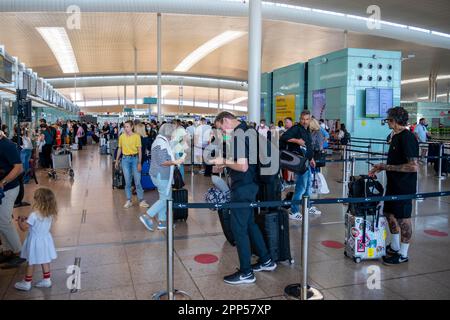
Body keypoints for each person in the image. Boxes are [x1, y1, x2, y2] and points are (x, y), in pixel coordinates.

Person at [211, 111, 276, 285]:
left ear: (226, 121)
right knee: (249, 223)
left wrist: (223, 161)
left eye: (221, 129)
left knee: (238, 228)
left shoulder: (239, 135)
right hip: (252, 185)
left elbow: (242, 166)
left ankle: (246, 272)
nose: (223, 133)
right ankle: (266, 260)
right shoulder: (249, 131)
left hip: (243, 187)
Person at [369, 107, 419, 265]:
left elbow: (413, 166)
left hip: (404, 186)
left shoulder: (407, 137)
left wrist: (387, 167)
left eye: (389, 119)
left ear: (396, 120)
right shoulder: (395, 136)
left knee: (403, 219)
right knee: (389, 214)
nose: (387, 122)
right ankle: (395, 246)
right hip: (393, 184)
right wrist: (382, 166)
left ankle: (403, 254)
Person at [139, 124, 183, 231]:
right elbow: (162, 161)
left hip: (161, 174)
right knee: (165, 200)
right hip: (161, 175)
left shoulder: (161, 141)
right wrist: (176, 161)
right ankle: (147, 216)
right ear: (169, 133)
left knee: (166, 198)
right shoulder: (160, 143)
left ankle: (163, 222)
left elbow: (169, 147)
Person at [14, 188, 58, 291]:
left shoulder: (34, 215)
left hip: (35, 242)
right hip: (45, 240)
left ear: (39, 200)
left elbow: (24, 228)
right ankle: (47, 280)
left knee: (31, 262)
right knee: (45, 260)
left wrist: (20, 221)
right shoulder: (50, 214)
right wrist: (27, 219)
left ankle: (27, 282)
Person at [280, 110, 316, 221]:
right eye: (302, 119)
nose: (304, 121)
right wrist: (296, 141)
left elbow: (308, 146)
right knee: (301, 187)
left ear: (310, 120)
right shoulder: (296, 128)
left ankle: (307, 206)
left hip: (307, 161)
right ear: (300, 119)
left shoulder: (307, 130)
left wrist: (311, 158)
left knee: (308, 187)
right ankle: (294, 211)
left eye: (306, 119)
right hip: (300, 163)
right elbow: (283, 137)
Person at [0, 130, 25, 269]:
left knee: (3, 220)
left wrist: (3, 182)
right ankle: (7, 250)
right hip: (3, 189)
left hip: (8, 189)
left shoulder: (7, 145)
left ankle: (19, 252)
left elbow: (19, 167)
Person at [115, 121, 149, 209]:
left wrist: (139, 163)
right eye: (125, 127)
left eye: (127, 127)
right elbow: (120, 149)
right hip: (125, 160)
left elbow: (140, 151)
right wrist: (117, 160)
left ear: (132, 127)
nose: (126, 129)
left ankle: (141, 200)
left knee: (137, 181)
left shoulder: (137, 137)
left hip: (135, 159)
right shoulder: (122, 137)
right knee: (127, 182)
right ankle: (129, 200)